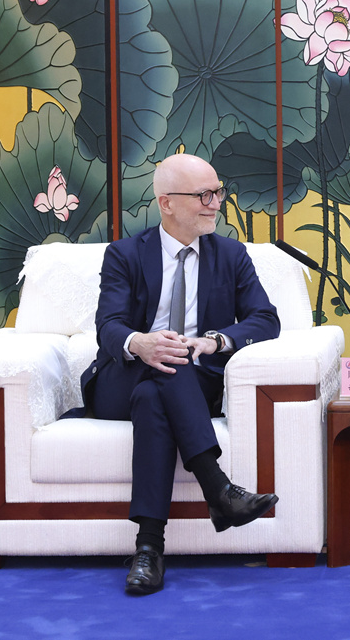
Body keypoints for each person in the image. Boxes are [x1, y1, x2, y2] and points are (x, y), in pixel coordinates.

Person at [79, 153, 281, 595]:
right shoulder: (125, 254)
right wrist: (141, 343)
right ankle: (219, 490)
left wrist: (215, 340)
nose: (216, 203)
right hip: (122, 380)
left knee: (160, 389)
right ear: (166, 202)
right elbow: (108, 326)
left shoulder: (231, 255)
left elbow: (265, 319)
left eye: (218, 192)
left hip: (192, 382)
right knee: (162, 366)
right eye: (203, 195)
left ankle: (149, 548)